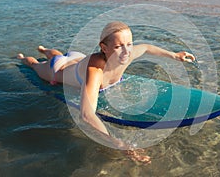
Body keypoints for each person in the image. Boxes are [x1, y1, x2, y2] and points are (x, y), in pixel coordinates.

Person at [17, 21, 195, 164]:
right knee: (37, 64)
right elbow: (86, 114)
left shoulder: (127, 53)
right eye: (118, 46)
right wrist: (118, 144)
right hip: (57, 70)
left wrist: (175, 55)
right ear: (104, 47)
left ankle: (45, 50)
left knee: (58, 54)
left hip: (76, 58)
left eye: (129, 44)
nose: (126, 51)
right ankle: (27, 57)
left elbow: (147, 47)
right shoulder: (95, 70)